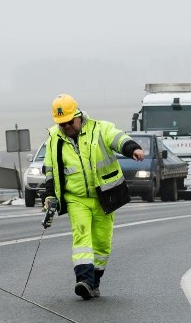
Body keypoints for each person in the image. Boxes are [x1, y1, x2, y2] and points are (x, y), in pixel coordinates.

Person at [42, 94, 144, 299]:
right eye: (62, 124)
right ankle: (84, 280)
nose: (67, 126)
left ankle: (94, 281)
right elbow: (50, 169)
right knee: (81, 236)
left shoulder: (99, 128)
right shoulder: (54, 138)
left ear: (79, 116)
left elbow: (117, 138)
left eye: (70, 122)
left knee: (102, 242)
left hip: (104, 196)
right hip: (76, 198)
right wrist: (50, 194)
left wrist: (132, 148)